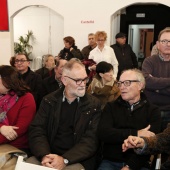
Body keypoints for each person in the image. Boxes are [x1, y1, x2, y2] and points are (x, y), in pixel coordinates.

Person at [28, 58, 101, 170]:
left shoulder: (93, 104)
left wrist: (65, 160)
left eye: (85, 79)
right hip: (49, 155)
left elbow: (91, 140)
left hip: (77, 159)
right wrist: (44, 155)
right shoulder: (49, 100)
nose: (83, 84)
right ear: (64, 80)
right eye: (78, 80)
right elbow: (37, 130)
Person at [98, 69, 161, 170]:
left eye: (127, 83)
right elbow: (104, 133)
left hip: (140, 164)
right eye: (120, 83)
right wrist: (136, 133)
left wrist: (130, 166)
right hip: (111, 161)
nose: (122, 87)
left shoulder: (153, 111)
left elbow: (151, 145)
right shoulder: (110, 107)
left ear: (140, 85)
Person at [0, 65, 36, 155]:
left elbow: (19, 130)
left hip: (17, 147)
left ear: (7, 81)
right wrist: (1, 127)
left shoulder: (27, 98)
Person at [142, 27, 170, 131]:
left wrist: (156, 87)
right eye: (164, 41)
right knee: (150, 143)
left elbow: (151, 85)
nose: (168, 44)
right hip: (151, 111)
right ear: (158, 44)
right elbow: (146, 82)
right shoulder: (149, 61)